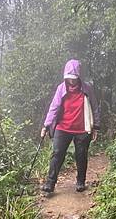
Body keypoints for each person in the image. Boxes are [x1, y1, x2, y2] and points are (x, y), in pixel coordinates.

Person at [41, 59, 100, 193]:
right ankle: (50, 183)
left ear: (79, 76)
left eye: (74, 78)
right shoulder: (61, 88)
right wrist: (46, 125)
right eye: (69, 78)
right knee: (57, 153)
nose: (71, 81)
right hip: (63, 127)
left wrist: (96, 126)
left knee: (81, 155)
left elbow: (94, 107)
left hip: (82, 128)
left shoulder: (86, 89)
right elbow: (54, 107)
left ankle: (80, 181)